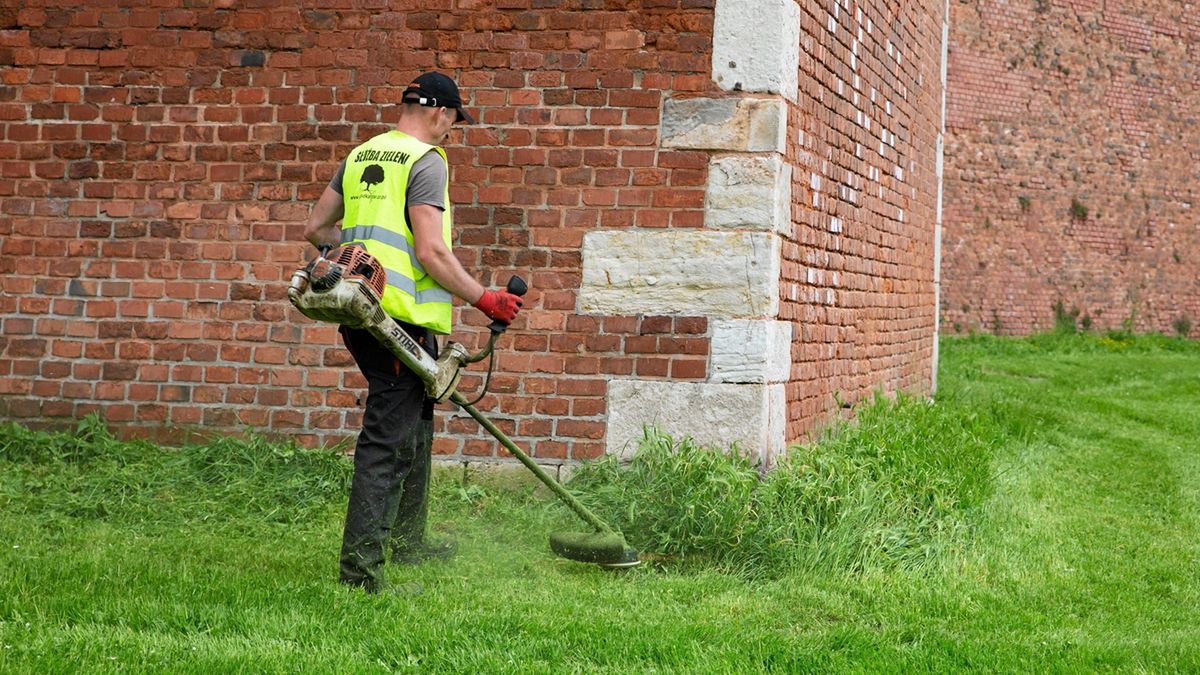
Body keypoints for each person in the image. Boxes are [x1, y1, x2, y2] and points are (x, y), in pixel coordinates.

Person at [303, 71, 523, 593]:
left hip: (361, 312)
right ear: (440, 112)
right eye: (454, 121)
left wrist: (352, 254)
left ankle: (407, 541)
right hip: (396, 319)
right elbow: (431, 251)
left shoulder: (363, 154)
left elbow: (315, 229)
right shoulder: (426, 161)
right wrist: (485, 298)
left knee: (416, 421)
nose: (451, 131)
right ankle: (361, 573)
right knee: (388, 439)